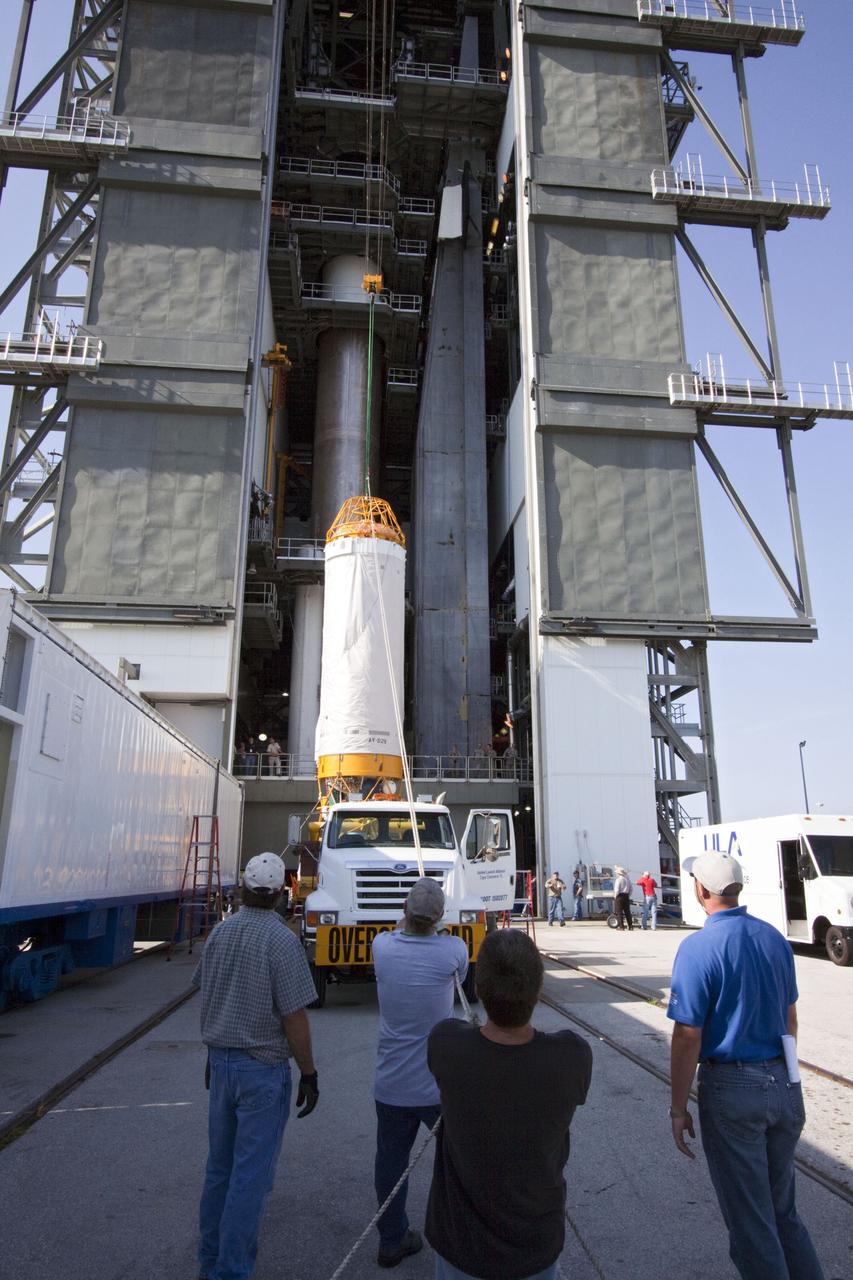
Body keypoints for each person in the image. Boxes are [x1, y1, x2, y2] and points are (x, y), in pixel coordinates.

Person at [667, 851, 824, 1280]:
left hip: (733, 1090)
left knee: (751, 1225)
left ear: (701, 890)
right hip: (783, 1083)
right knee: (783, 1213)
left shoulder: (698, 948)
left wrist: (678, 1108)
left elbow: (687, 1037)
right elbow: (789, 1018)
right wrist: (784, 1077)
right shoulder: (773, 938)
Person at [425, 929, 592, 1280]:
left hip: (461, 1249)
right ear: (538, 989)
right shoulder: (572, 1055)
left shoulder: (446, 1045)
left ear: (479, 989)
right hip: (536, 1245)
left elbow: (455, 1030)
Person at [193, 852, 319, 1280]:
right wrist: (309, 1072)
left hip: (222, 1064)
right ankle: (230, 1271)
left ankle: (209, 1263)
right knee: (250, 1176)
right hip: (260, 1071)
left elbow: (206, 991)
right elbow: (294, 1017)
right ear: (282, 894)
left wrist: (215, 1050)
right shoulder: (282, 941)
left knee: (219, 1170)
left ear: (243, 888)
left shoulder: (219, 935)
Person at [372, 877, 469, 1269]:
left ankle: (392, 1239)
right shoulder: (453, 950)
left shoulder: (382, 947)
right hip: (436, 1085)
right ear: (440, 918)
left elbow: (397, 933)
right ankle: (458, 1236)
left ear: (404, 911)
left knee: (391, 1162)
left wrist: (410, 921)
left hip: (391, 1083)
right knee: (456, 1163)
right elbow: (458, 977)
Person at [613, 865, 633, 930]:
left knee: (619, 912)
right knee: (627, 912)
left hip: (620, 896)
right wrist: (628, 895)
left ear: (618, 873)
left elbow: (617, 890)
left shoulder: (618, 880)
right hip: (626, 896)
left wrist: (615, 896)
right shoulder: (627, 880)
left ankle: (621, 926)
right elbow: (631, 889)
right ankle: (630, 926)